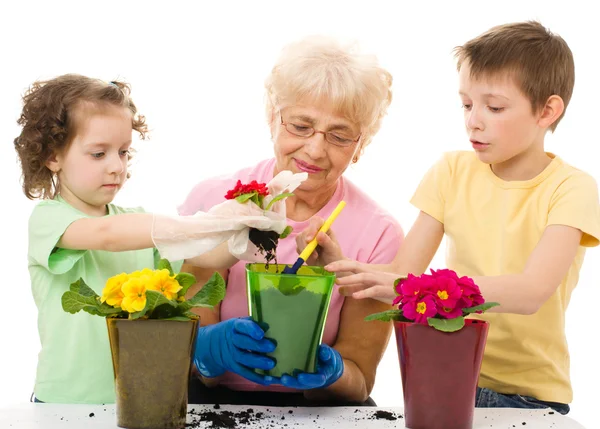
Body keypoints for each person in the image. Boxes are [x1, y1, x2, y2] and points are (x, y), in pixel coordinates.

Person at [319, 21, 600, 414]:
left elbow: (530, 291)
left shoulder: (573, 188)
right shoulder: (451, 171)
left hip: (531, 396)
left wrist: (433, 292)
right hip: (447, 377)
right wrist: (343, 268)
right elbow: (402, 272)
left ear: (548, 111)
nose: (474, 120)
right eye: (466, 104)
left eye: (495, 107)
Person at [14, 74, 286, 404]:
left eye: (124, 152)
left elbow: (200, 259)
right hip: (62, 403)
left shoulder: (136, 219)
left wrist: (243, 233)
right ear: (53, 156)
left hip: (132, 402)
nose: (117, 166)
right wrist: (205, 222)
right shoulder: (50, 219)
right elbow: (107, 237)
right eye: (99, 154)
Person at [178, 35, 404, 406]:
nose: (315, 149)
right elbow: (180, 358)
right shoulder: (214, 202)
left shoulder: (379, 232)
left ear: (361, 145)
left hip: (319, 410)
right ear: (273, 118)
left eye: (340, 135)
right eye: (300, 126)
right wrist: (207, 350)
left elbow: (359, 382)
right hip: (211, 403)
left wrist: (331, 370)